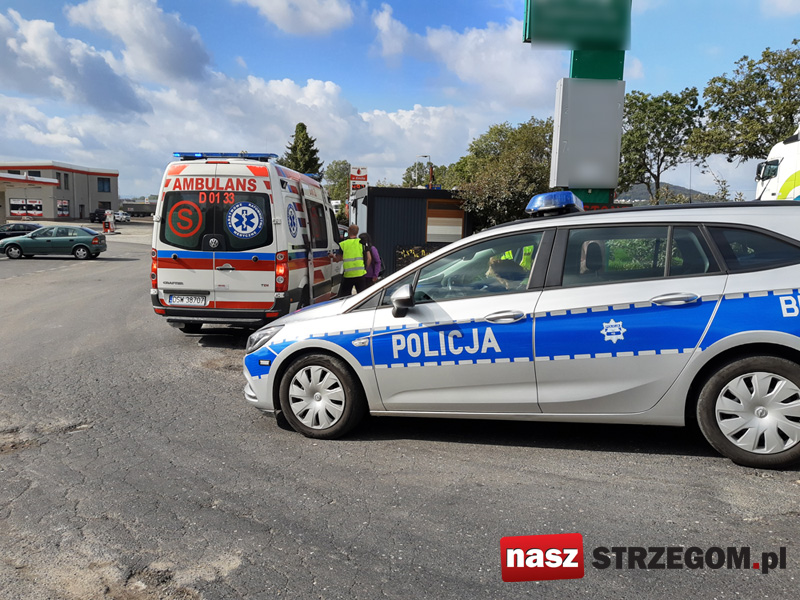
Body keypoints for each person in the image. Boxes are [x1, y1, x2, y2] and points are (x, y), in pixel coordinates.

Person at [338, 224, 371, 296]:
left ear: (348, 231)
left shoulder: (343, 244)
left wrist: (332, 256)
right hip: (360, 274)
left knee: (344, 297)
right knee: (362, 296)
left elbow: (339, 258)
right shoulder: (362, 243)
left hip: (348, 276)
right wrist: (365, 269)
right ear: (357, 232)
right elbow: (369, 258)